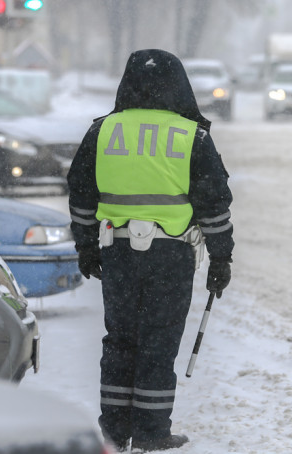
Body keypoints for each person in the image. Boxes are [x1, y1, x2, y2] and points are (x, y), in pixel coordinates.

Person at [67, 49, 234, 452]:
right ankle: (151, 431)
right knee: (158, 342)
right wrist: (221, 257)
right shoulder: (191, 136)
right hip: (171, 256)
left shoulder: (102, 132)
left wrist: (86, 245)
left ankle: (113, 430)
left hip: (118, 253)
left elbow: (81, 195)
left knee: (120, 340)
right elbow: (214, 204)